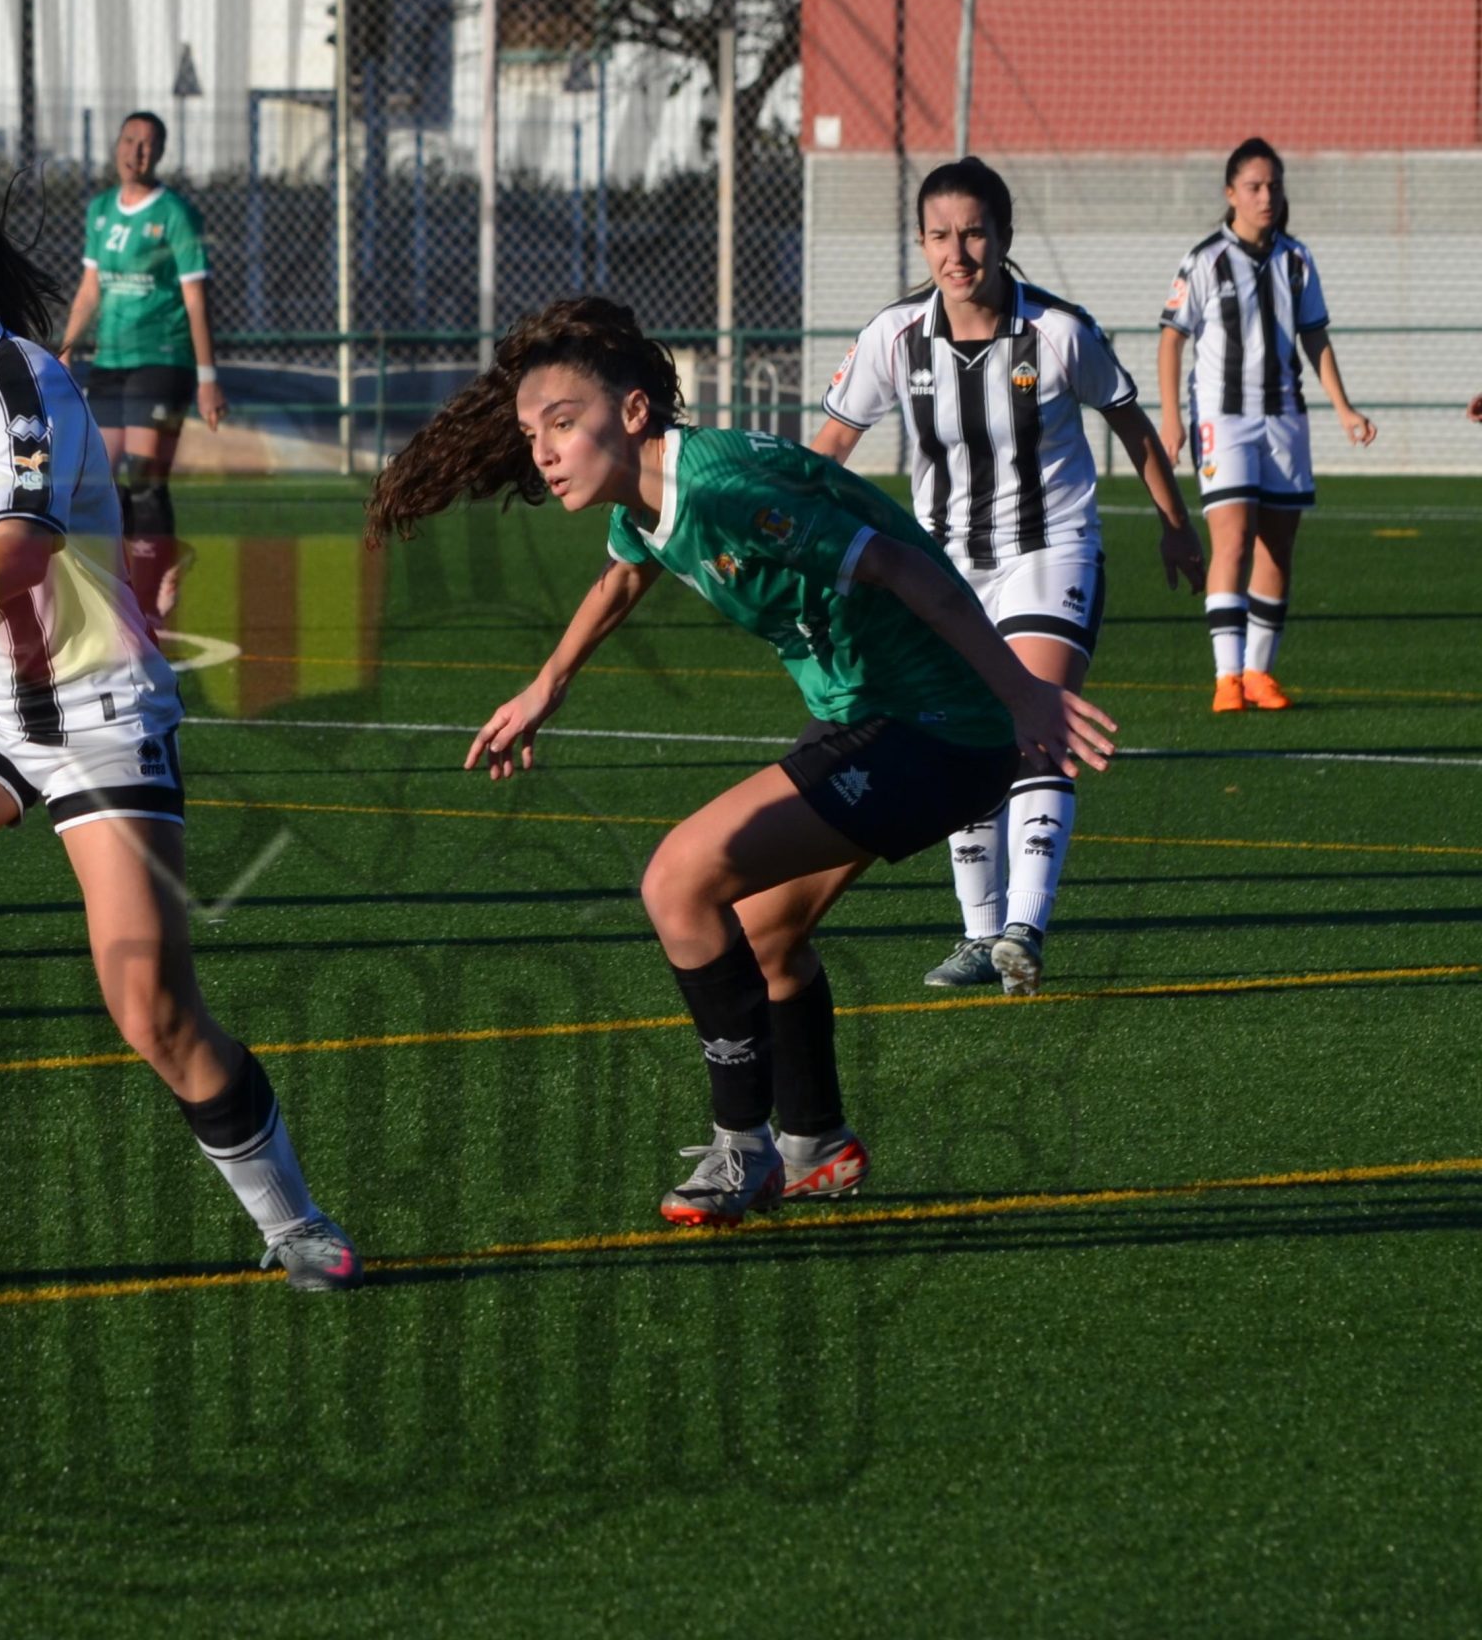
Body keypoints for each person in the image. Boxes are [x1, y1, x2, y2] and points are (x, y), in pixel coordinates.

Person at [368, 297, 1115, 1227]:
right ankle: (816, 1143)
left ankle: (742, 1149)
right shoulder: (649, 495)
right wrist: (545, 686)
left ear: (633, 412)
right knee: (765, 940)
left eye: (562, 424)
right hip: (874, 716)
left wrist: (1023, 693)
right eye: (531, 434)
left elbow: (897, 565)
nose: (544, 452)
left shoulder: (721, 489)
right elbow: (626, 569)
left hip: (937, 727)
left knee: (678, 881)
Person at [0, 164, 360, 1290]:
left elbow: (22, 550)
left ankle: (292, 1220)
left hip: (95, 710)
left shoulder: (22, 383)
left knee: (152, 1008)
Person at [811, 156, 1202, 993]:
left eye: (974, 233)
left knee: (1033, 719)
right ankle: (979, 934)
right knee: (961, 733)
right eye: (940, 236)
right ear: (922, 243)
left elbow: (1130, 426)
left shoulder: (1059, 331)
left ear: (1005, 236)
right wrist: (793, 535)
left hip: (1049, 550)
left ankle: (1025, 925)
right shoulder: (894, 338)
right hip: (942, 569)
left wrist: (1176, 525)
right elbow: (830, 447)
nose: (958, 254)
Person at [1158, 138, 1376, 712]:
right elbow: (1171, 339)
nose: (1266, 196)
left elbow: (1314, 336)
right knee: (1232, 538)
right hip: (1223, 418)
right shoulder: (1206, 259)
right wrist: (1172, 418)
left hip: (1284, 417)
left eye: (1273, 186)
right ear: (1231, 194)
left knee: (1277, 547)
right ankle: (1226, 676)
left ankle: (1260, 673)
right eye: (1254, 187)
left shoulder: (1296, 259)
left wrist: (1345, 408)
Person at [57, 111, 224, 621]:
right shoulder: (101, 210)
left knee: (145, 474)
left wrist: (208, 378)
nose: (137, 152)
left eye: (148, 144)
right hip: (110, 360)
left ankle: (152, 596)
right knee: (98, 481)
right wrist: (67, 346)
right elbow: (90, 289)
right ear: (117, 145)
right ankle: (151, 562)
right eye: (129, 140)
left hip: (163, 358)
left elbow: (195, 300)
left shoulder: (176, 213)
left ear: (161, 153)